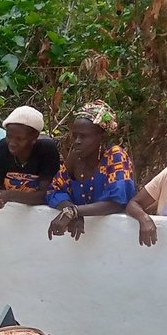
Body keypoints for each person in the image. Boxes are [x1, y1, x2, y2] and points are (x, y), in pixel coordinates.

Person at [45, 101, 136, 241]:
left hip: (115, 238)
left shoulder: (115, 156)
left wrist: (74, 211)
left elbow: (117, 202)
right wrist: (71, 211)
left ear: (102, 137)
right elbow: (54, 190)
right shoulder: (74, 156)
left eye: (83, 136)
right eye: (74, 136)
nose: (77, 141)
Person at [0, 106, 60, 207]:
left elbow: (46, 195)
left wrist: (10, 195)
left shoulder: (46, 149)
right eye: (9, 136)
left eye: (19, 139)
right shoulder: (4, 146)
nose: (12, 143)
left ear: (34, 137)